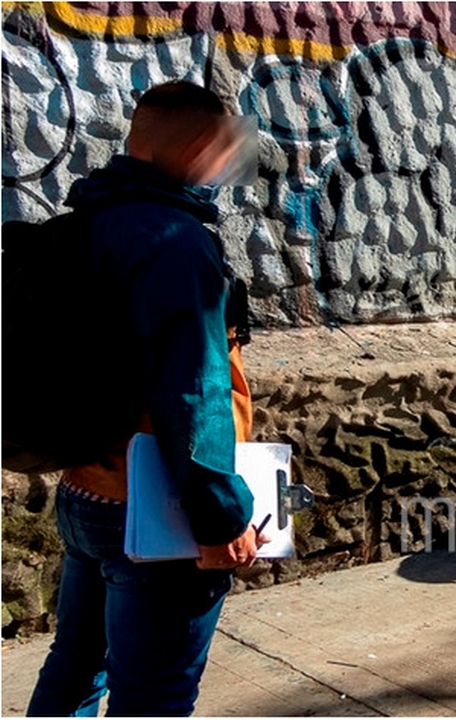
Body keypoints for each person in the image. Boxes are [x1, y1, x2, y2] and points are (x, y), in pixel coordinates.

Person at [27, 80, 265, 717]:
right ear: (196, 149)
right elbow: (193, 389)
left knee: (76, 668)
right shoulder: (175, 242)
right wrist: (221, 516)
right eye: (223, 154)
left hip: (86, 490)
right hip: (157, 508)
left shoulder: (89, 222)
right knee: (153, 698)